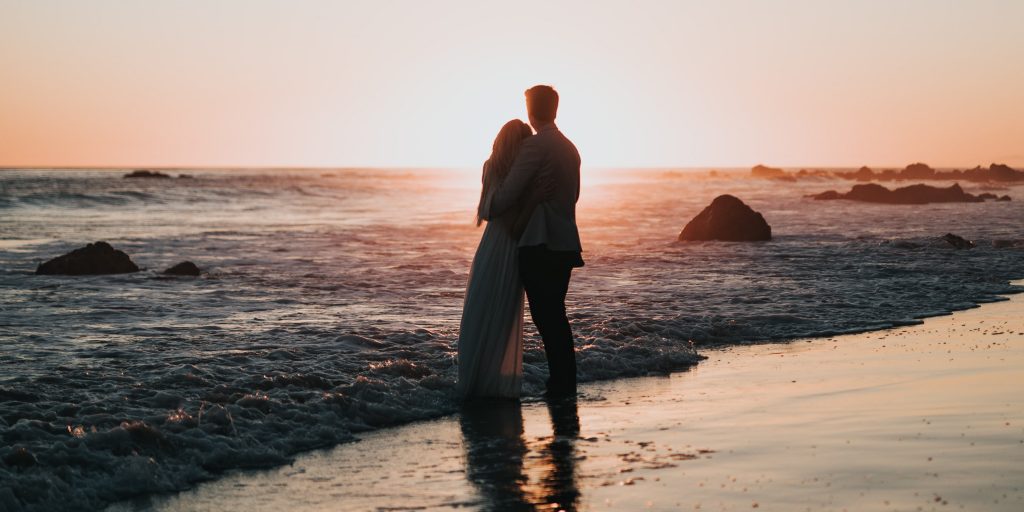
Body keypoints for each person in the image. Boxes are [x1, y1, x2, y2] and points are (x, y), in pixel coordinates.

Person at [487, 85, 584, 397]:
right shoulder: (570, 148)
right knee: (556, 316)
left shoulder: (535, 147)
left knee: (547, 319)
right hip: (566, 242)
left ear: (530, 110)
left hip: (539, 244)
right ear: (555, 109)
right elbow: (575, 196)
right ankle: (563, 382)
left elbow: (503, 199)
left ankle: (560, 385)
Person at [456, 119, 536, 399]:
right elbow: (490, 209)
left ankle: (477, 379)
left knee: (484, 308)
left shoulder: (496, 167)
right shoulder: (516, 171)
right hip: (510, 244)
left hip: (494, 244)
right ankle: (488, 381)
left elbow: (487, 211)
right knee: (499, 312)